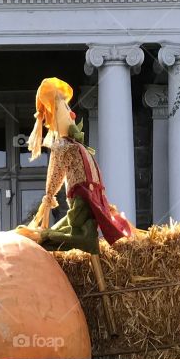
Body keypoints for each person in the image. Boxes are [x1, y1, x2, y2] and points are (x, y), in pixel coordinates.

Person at [17, 77, 133, 254]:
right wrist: (49, 194)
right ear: (56, 115)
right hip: (82, 196)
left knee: (94, 228)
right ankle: (44, 239)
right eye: (65, 108)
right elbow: (56, 172)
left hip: (93, 195)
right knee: (80, 232)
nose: (71, 114)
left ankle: (48, 239)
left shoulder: (74, 144)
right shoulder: (62, 146)